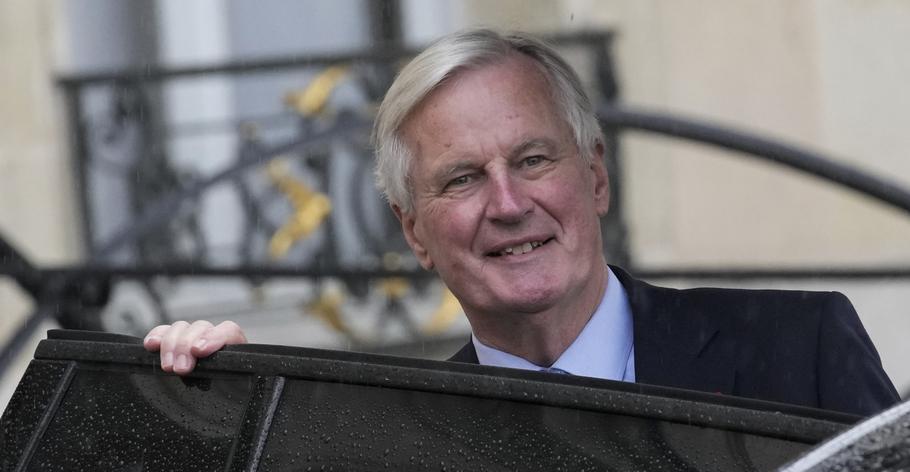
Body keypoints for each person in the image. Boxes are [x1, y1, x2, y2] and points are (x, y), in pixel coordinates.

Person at [144, 29, 899, 416]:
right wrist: (227, 407)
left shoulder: (804, 354)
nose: (507, 204)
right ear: (414, 233)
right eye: (463, 178)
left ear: (596, 176)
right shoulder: (392, 440)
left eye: (533, 160)